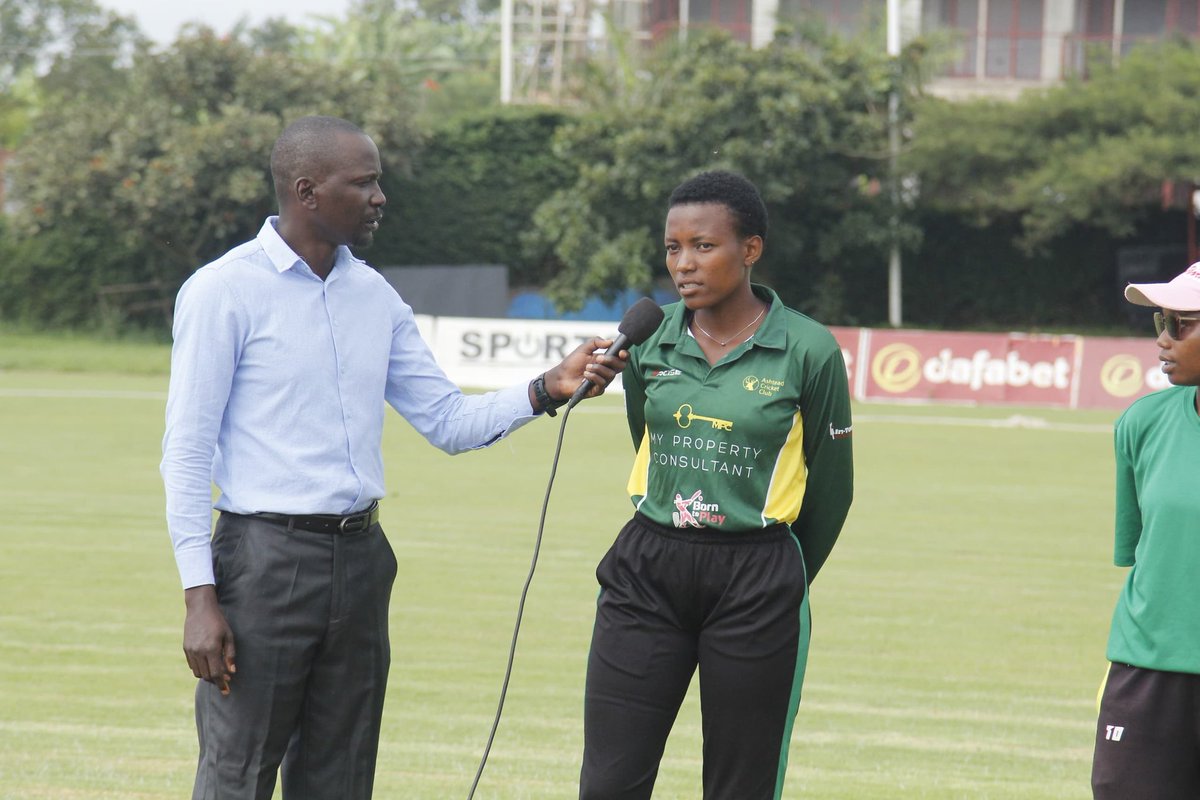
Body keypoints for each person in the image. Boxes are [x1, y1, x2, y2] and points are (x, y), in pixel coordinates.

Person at [160, 114, 626, 800]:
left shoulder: (373, 296)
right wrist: (200, 597)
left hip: (361, 561)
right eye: (366, 183)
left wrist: (545, 388)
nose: (381, 198)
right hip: (262, 565)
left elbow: (447, 420)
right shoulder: (222, 291)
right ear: (307, 190)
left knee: (342, 777)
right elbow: (186, 451)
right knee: (238, 774)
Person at [578, 170, 854, 799]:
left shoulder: (809, 349)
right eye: (673, 248)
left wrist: (780, 573)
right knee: (608, 782)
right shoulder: (649, 340)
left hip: (757, 575)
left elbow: (832, 488)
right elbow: (644, 437)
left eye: (704, 246)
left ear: (749, 250)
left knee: (740, 785)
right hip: (646, 567)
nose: (684, 264)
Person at [1092, 263, 1200, 799]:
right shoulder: (1142, 423)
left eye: (1182, 323)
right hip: (1147, 674)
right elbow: (1144, 555)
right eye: (1162, 320)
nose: (1163, 337)